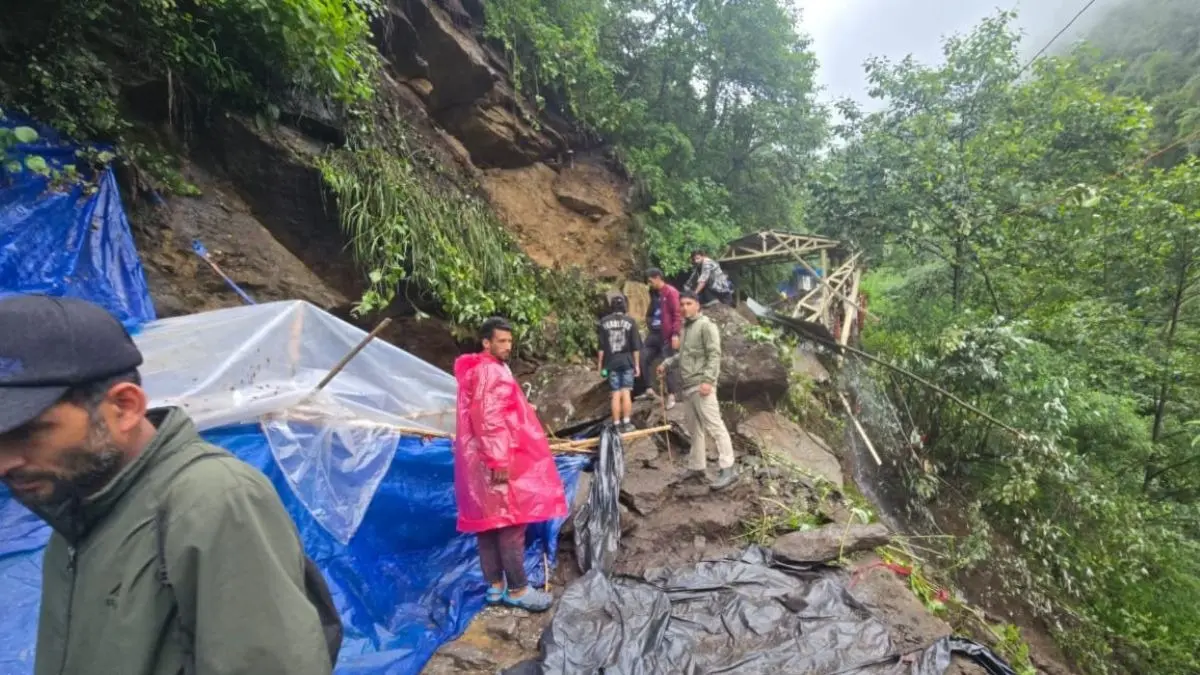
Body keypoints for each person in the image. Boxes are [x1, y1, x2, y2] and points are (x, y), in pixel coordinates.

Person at [0, 294, 340, 675]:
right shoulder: (76, 511)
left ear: (125, 407)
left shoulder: (211, 500)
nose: (4, 463)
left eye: (28, 432)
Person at [453, 317, 567, 612]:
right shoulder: (491, 372)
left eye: (509, 341)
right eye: (501, 341)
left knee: (488, 526)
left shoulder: (478, 370)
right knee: (511, 524)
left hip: (478, 464)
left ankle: (494, 587)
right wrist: (499, 459)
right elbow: (489, 419)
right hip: (496, 460)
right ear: (486, 343)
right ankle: (517, 589)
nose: (507, 346)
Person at [658, 291, 738, 490]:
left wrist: (708, 380)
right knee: (695, 430)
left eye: (689, 303)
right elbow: (683, 356)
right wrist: (667, 363)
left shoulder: (706, 326)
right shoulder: (686, 328)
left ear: (697, 305)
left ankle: (728, 468)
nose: (684, 307)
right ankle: (697, 467)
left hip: (702, 385)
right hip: (688, 386)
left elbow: (714, 354)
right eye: (682, 304)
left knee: (715, 426)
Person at [597, 295, 642, 432]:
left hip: (611, 363)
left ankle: (616, 424)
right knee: (626, 392)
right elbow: (635, 347)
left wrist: (600, 365)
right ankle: (626, 423)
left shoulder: (604, 322)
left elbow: (601, 347)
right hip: (627, 361)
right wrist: (637, 365)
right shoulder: (631, 321)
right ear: (624, 306)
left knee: (615, 394)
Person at [642, 268, 681, 409]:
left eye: (650, 281)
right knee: (643, 356)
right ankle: (648, 389)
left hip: (667, 334)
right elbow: (650, 313)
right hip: (654, 333)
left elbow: (677, 314)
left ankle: (671, 395)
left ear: (658, 277)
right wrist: (650, 322)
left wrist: (675, 334)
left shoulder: (671, 292)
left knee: (668, 363)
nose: (649, 284)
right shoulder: (654, 293)